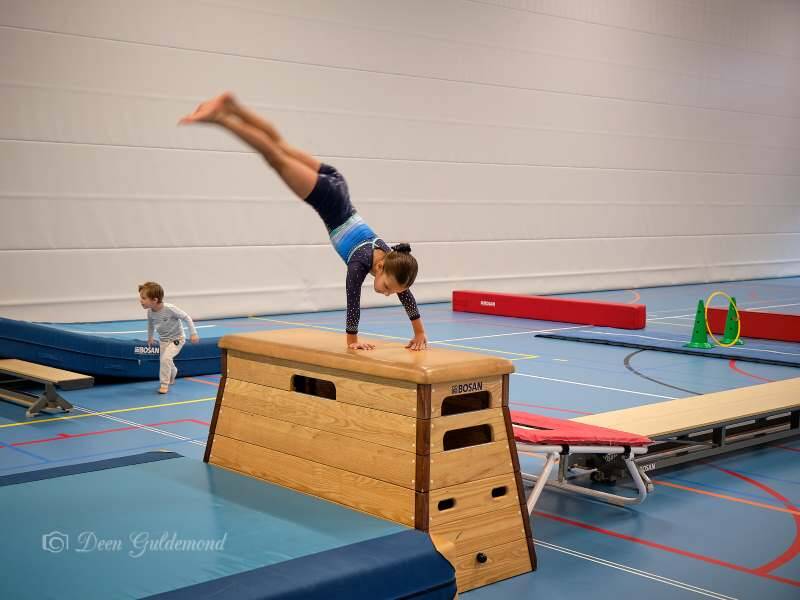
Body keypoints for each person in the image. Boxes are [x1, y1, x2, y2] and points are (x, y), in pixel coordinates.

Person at [179, 92, 427, 351]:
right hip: (328, 199)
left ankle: (233, 106)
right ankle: (222, 119)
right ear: (381, 268)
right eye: (387, 287)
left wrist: (419, 332)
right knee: (274, 156)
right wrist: (352, 342)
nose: (387, 293)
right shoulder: (359, 263)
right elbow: (352, 301)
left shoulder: (391, 258)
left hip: (337, 183)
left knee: (280, 145)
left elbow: (405, 293)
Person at [138, 281, 199, 393]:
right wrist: (150, 337)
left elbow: (187, 317)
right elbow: (150, 325)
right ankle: (173, 372)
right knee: (166, 360)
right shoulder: (150, 312)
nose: (140, 300)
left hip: (177, 339)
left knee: (165, 359)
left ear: (155, 300)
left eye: (143, 298)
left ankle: (164, 384)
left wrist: (193, 333)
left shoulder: (170, 309)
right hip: (164, 341)